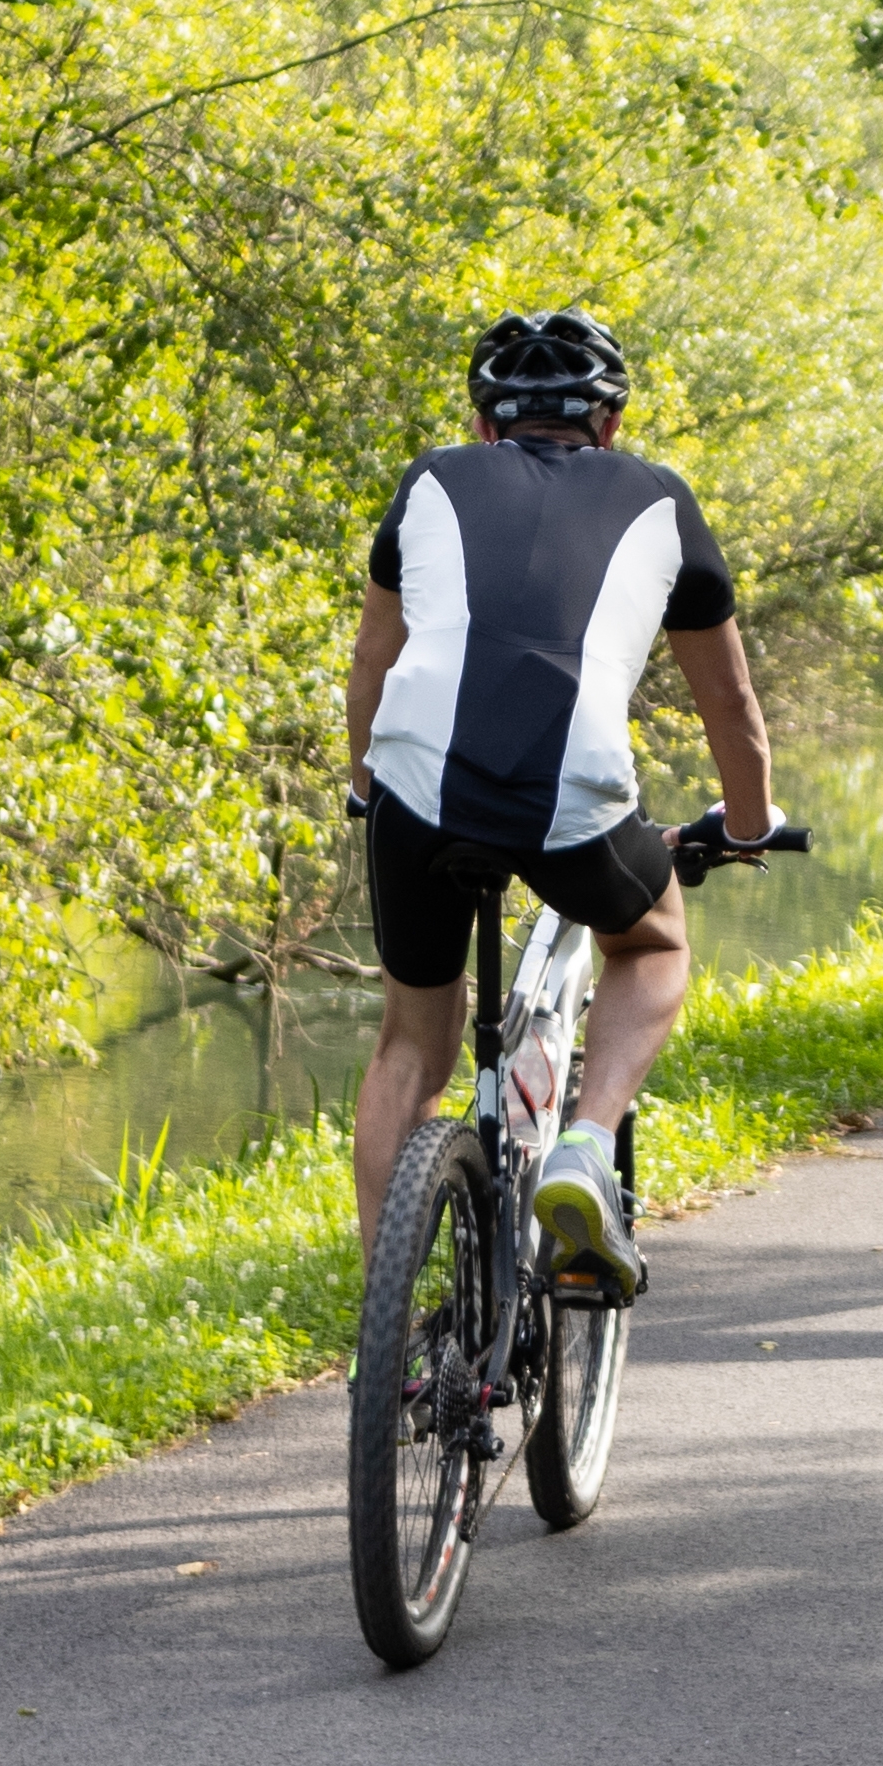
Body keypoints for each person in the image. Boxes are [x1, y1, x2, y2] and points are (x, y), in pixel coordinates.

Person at [341, 305, 780, 1296]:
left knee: (412, 1040)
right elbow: (732, 706)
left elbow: (375, 657)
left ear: (485, 423)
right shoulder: (663, 503)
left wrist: (367, 789)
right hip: (570, 798)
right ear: (610, 424)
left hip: (417, 780)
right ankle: (583, 1144)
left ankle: (387, 1319)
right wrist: (746, 826)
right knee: (654, 939)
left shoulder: (428, 479)